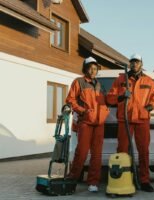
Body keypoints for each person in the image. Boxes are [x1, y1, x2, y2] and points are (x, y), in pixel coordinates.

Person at [106, 53, 154, 192]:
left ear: (141, 64)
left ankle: (144, 181)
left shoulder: (149, 81)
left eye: (137, 62)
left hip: (142, 119)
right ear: (129, 64)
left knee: (143, 151)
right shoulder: (121, 79)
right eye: (132, 62)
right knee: (123, 150)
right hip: (125, 119)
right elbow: (110, 98)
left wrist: (150, 107)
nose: (134, 64)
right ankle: (124, 177)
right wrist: (121, 95)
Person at [66, 57, 109, 192]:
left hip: (99, 123)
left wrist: (105, 111)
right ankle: (72, 180)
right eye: (90, 67)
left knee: (97, 154)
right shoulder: (79, 82)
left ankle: (93, 182)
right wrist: (82, 111)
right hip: (85, 122)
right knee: (82, 152)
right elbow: (70, 99)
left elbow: (105, 101)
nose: (93, 70)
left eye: (95, 68)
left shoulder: (99, 85)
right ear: (85, 68)